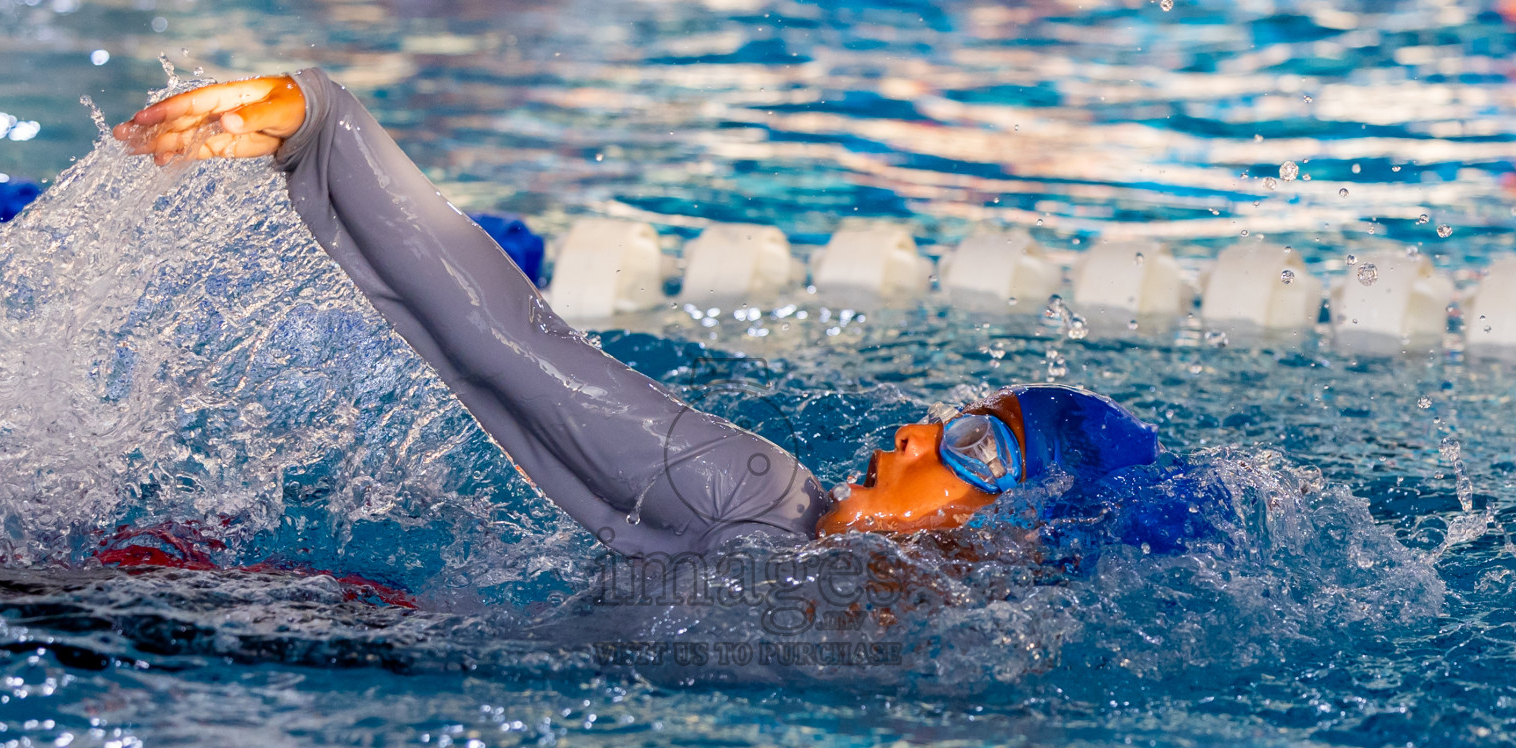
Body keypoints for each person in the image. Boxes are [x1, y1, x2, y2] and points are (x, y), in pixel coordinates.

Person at [112, 71, 1160, 559]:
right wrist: (325, 125)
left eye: (973, 443)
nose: (915, 434)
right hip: (313, 643)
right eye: (947, 416)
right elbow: (512, 349)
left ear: (1018, 534)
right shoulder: (753, 501)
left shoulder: (969, 677)